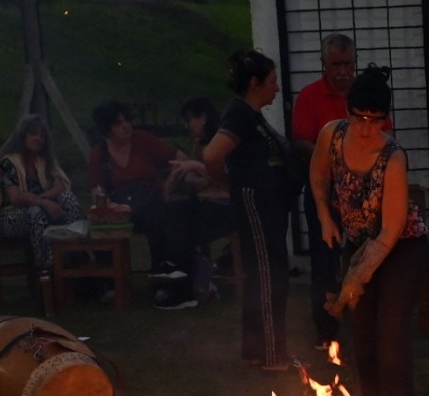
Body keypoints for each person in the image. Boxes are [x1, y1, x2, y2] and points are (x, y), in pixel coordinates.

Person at [312, 66, 429, 396]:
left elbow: (390, 231)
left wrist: (357, 277)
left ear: (385, 120)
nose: (365, 128)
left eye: (374, 120)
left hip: (402, 249)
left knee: (390, 338)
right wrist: (325, 216)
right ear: (347, 111)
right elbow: (318, 177)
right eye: (359, 117)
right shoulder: (331, 135)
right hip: (360, 242)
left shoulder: (392, 159)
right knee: (361, 337)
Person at [204, 49, 299, 371]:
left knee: (267, 273)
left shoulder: (252, 116)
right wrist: (230, 184)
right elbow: (213, 155)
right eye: (272, 81)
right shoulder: (240, 114)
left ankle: (258, 350)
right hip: (256, 204)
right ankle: (274, 356)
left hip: (269, 204)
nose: (277, 88)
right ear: (255, 83)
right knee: (268, 275)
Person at [293, 34, 387, 350]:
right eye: (336, 65)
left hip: (363, 192)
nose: (343, 72)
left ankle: (368, 323)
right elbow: (302, 142)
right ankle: (326, 331)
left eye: (348, 64)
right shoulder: (309, 97)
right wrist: (337, 157)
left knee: (367, 257)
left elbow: (385, 136)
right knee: (324, 260)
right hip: (324, 190)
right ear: (324, 64)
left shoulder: (366, 94)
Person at [86, 100, 188, 287]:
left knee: (158, 216)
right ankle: (108, 282)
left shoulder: (143, 140)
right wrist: (108, 206)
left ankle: (161, 272)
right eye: (118, 123)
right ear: (106, 129)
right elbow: (96, 188)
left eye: (126, 120)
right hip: (121, 209)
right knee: (100, 226)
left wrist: (168, 187)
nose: (126, 126)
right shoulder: (99, 154)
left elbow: (180, 159)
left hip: (152, 203)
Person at [0, 114, 83, 274]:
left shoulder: (44, 160)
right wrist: (44, 204)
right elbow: (16, 198)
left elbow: (61, 184)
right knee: (36, 213)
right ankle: (46, 267)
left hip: (40, 211)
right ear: (23, 136)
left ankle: (72, 256)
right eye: (33, 134)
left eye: (42, 135)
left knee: (69, 199)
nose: (38, 138)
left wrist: (45, 198)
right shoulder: (8, 162)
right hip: (8, 218)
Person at [164, 97, 236, 305]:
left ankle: (192, 275)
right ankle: (180, 271)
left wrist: (196, 167)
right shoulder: (199, 143)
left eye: (190, 119)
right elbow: (199, 179)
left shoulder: (222, 142)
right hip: (204, 201)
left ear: (203, 118)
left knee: (183, 227)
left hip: (224, 206)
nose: (188, 125)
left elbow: (226, 178)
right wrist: (189, 175)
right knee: (168, 214)